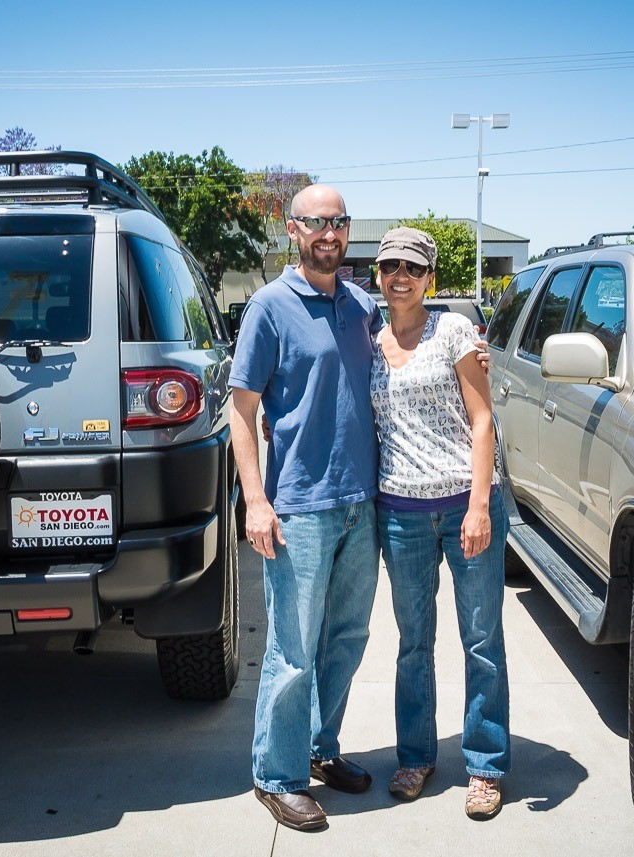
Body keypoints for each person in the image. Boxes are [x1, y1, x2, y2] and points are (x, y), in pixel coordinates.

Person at [230, 184, 382, 832]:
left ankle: (320, 746)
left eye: (339, 222)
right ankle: (277, 775)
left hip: (360, 502)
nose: (330, 233)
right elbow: (241, 410)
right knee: (292, 651)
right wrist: (256, 500)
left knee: (346, 638)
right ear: (292, 229)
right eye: (317, 223)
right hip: (299, 506)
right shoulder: (269, 306)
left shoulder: (362, 304)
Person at [369, 226, 511, 820]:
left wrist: (478, 506)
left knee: (481, 640)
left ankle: (485, 765)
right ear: (378, 275)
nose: (399, 277)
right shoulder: (370, 342)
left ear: (430, 278)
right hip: (400, 515)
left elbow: (482, 420)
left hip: (465, 508)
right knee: (413, 644)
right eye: (389, 266)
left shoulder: (452, 330)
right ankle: (416, 756)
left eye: (411, 267)